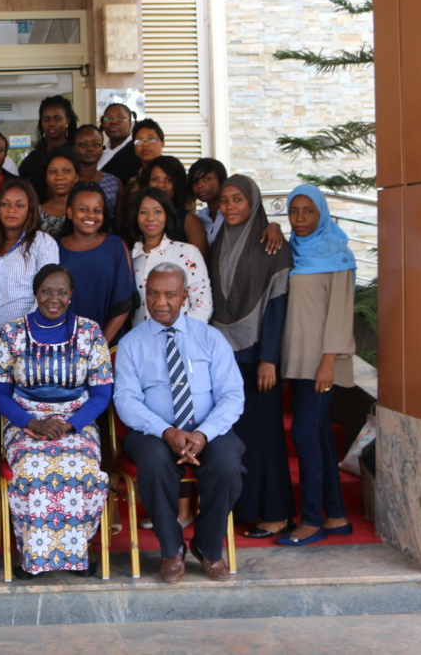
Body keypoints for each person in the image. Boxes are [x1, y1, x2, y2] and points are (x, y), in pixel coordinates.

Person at [113, 263, 246, 583]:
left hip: (207, 429)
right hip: (153, 430)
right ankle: (171, 549)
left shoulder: (210, 338)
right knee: (154, 462)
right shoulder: (131, 343)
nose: (160, 302)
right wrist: (166, 431)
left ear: (185, 296)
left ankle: (207, 547)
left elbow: (232, 395)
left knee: (228, 465)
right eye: (153, 293)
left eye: (170, 294)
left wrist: (203, 433)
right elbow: (126, 400)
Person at [0, 264, 113, 577]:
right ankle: (31, 551)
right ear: (36, 293)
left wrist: (71, 424)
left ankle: (79, 548)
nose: (53, 298)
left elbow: (102, 393)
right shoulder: (12, 333)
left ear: (71, 295)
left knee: (83, 468)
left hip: (77, 422)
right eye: (46, 291)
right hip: (25, 423)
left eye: (61, 292)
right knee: (34, 468)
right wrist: (32, 423)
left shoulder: (90, 332)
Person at [210, 174, 295, 539]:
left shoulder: (271, 244)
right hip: (225, 355)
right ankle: (244, 510)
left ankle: (276, 513)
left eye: (237, 199)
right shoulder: (220, 240)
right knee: (236, 437)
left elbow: (277, 306)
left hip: (258, 355)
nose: (229, 206)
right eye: (224, 200)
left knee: (266, 437)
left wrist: (269, 358)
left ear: (253, 203)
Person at [278, 185, 357, 547]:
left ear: (322, 212)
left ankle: (311, 520)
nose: (300, 218)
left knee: (304, 435)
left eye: (308, 211)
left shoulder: (338, 254)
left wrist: (328, 363)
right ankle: (336, 515)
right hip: (299, 361)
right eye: (293, 211)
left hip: (323, 363)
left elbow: (340, 314)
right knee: (320, 435)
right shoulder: (293, 252)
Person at [0, 179, 59, 355]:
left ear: (30, 209)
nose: (11, 210)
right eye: (5, 204)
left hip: (29, 338)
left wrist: (21, 332)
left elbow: (48, 293)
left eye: (20, 205)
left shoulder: (42, 243)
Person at [58, 182, 136, 345]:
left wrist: (100, 345)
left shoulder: (115, 245)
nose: (91, 215)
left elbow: (124, 300)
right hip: (62, 342)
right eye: (83, 209)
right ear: (70, 212)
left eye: (97, 210)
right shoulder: (55, 247)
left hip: (107, 343)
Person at [126, 187, 212, 327]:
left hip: (180, 337)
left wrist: (177, 334)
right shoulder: (129, 258)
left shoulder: (187, 253)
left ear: (167, 215)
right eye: (143, 212)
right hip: (140, 337)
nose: (150, 218)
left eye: (157, 211)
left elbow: (202, 303)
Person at [135, 155, 208, 258]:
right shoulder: (137, 216)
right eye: (154, 179)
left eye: (168, 180)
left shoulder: (188, 220)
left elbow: (200, 262)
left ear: (177, 184)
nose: (161, 185)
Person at [19, 95, 77, 201]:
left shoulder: (76, 152)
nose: (51, 123)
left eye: (57, 119)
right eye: (47, 119)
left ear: (67, 121)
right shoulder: (34, 157)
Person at [71, 124, 124, 231]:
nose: (90, 148)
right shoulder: (65, 182)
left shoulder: (114, 183)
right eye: (83, 144)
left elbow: (120, 226)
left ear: (102, 148)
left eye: (95, 144)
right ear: (74, 148)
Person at [38, 146, 81, 237]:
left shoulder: (87, 210)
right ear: (46, 177)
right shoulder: (36, 214)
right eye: (53, 171)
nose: (59, 177)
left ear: (77, 176)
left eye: (66, 171)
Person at [96, 102, 140, 184]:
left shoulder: (136, 152)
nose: (113, 122)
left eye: (120, 118)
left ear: (130, 124)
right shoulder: (99, 151)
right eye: (108, 118)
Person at [189, 157, 228, 245]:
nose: (199, 185)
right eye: (195, 181)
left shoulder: (232, 213)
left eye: (206, 179)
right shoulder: (200, 217)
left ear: (221, 180)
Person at [125, 119, 166, 193]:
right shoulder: (132, 182)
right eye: (139, 141)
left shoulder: (174, 174)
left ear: (162, 143)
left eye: (151, 139)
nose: (145, 144)